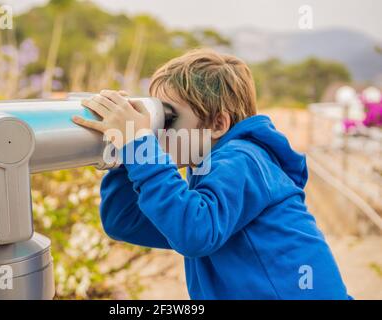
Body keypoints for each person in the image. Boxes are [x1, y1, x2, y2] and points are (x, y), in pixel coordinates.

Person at [72, 48, 350, 299]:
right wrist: (127, 156)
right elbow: (125, 221)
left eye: (167, 118)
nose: (155, 131)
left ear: (218, 123)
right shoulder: (208, 172)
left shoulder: (244, 159)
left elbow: (195, 232)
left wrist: (138, 143)